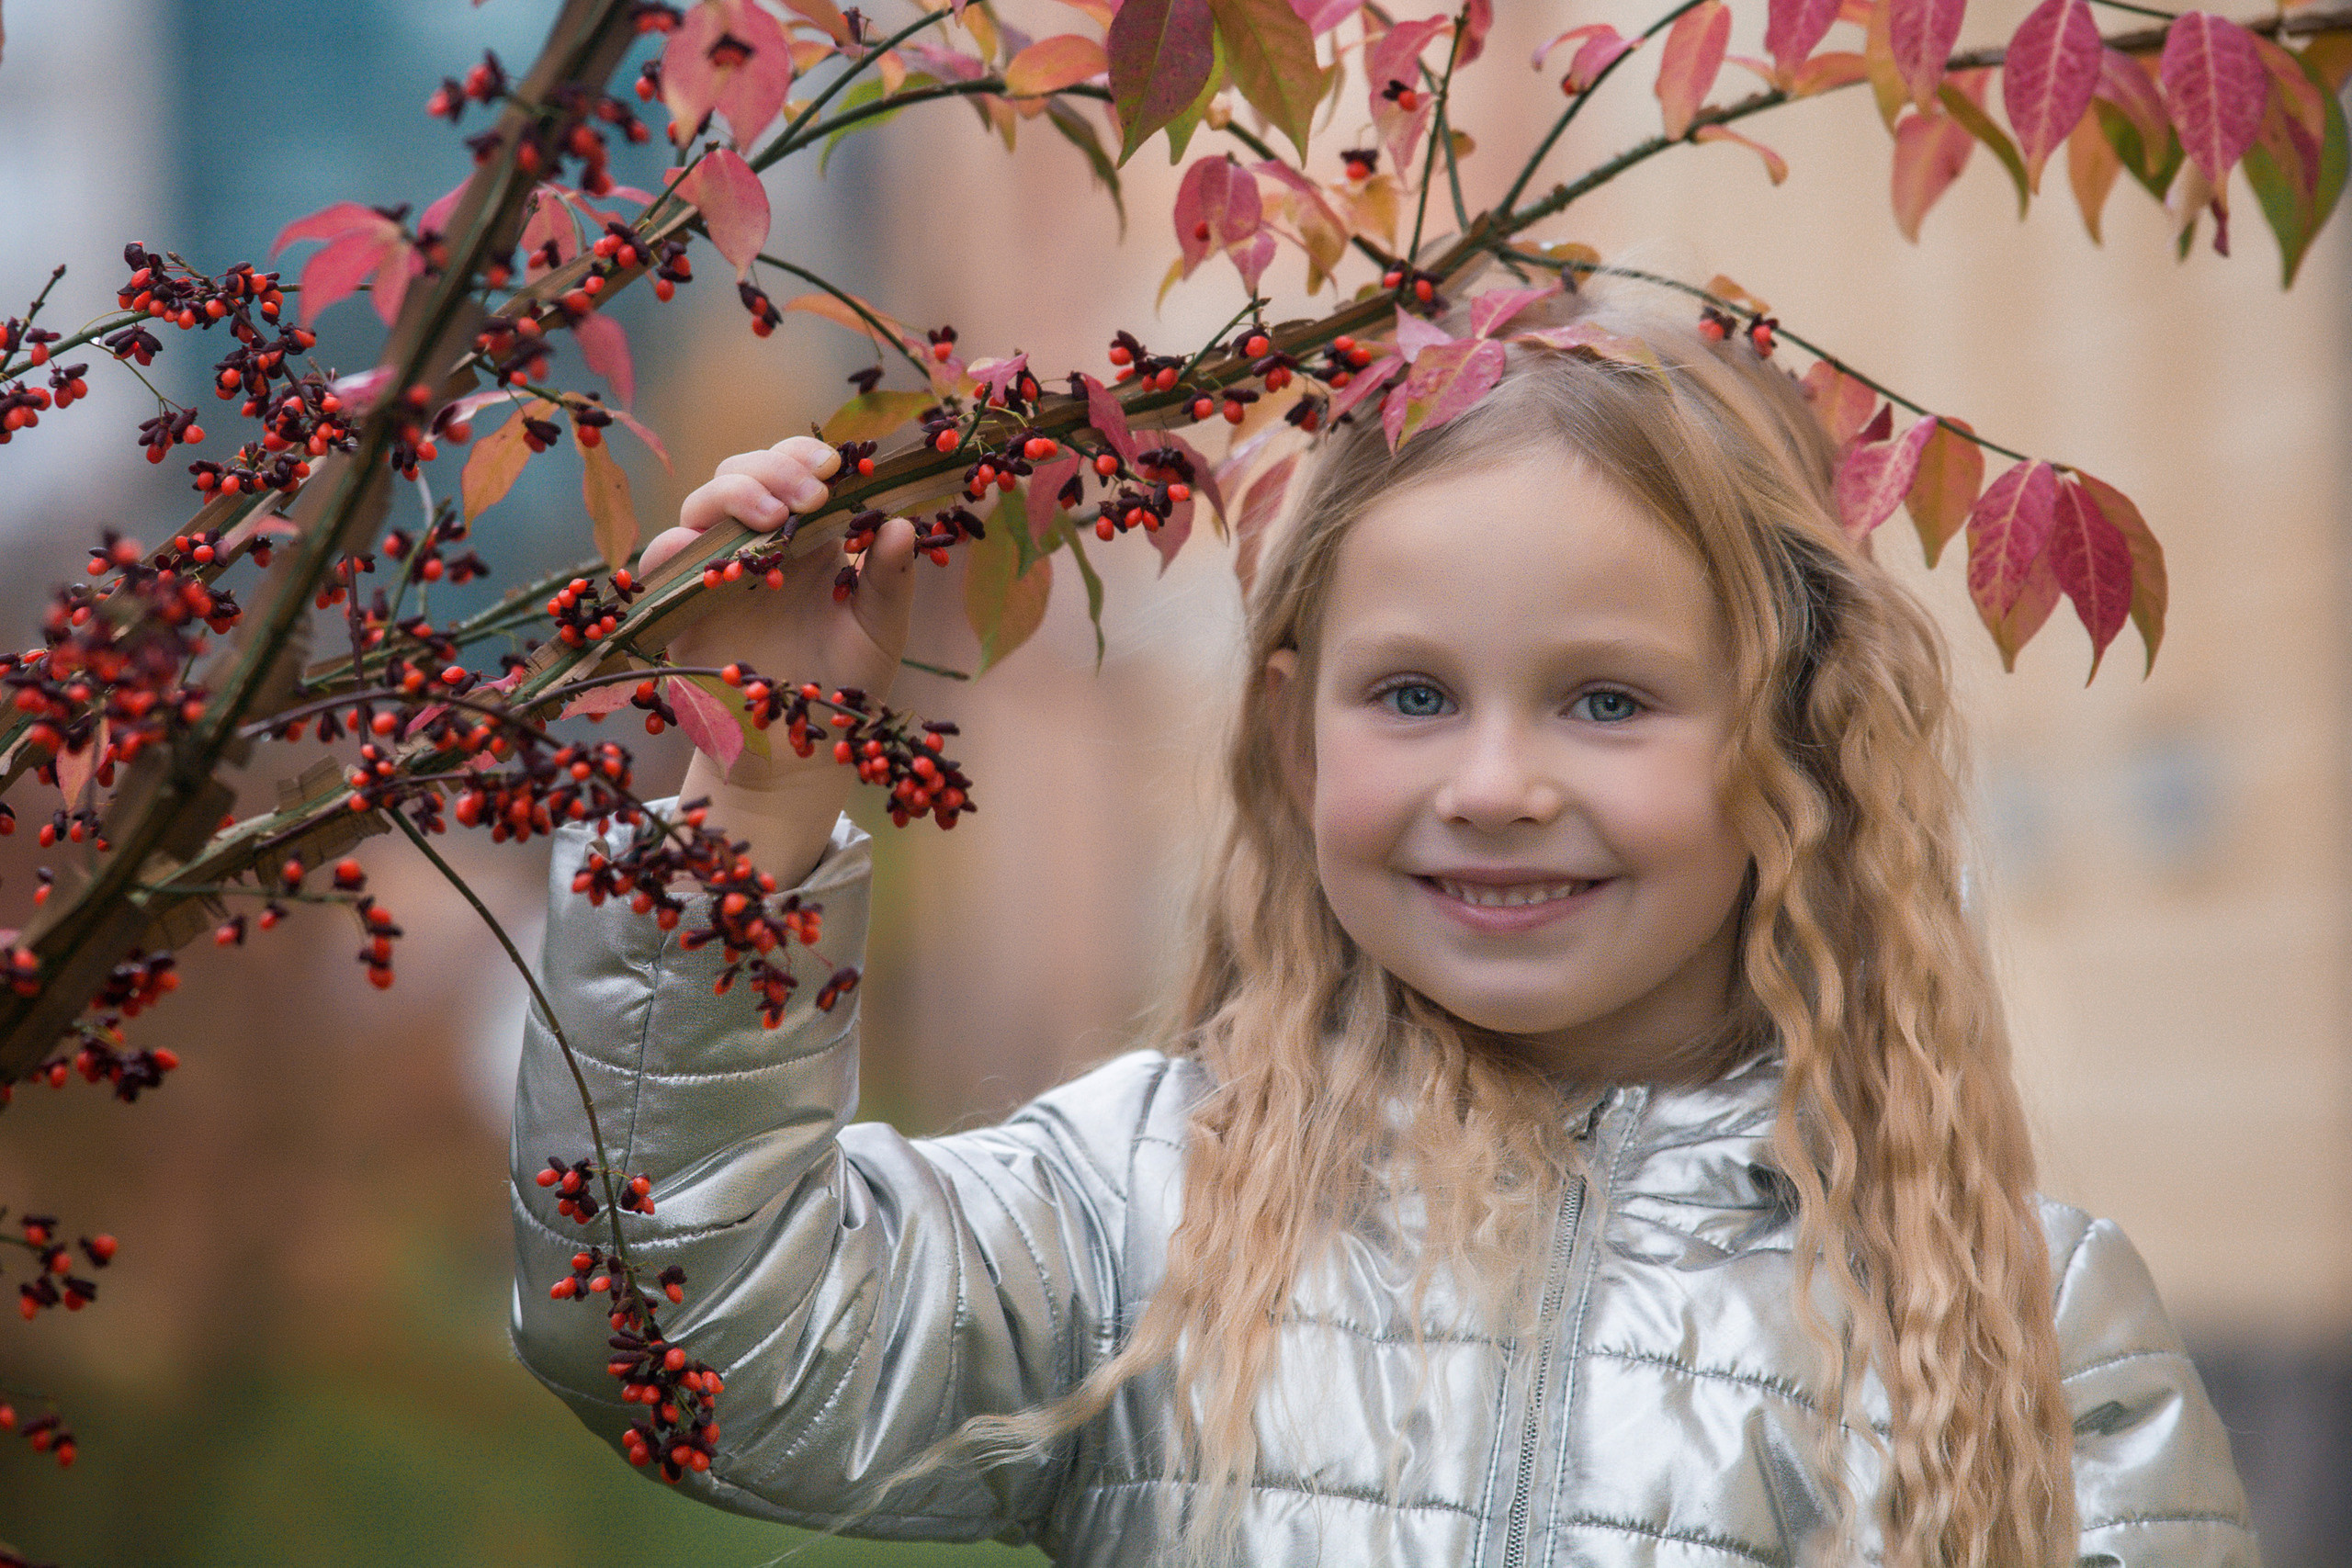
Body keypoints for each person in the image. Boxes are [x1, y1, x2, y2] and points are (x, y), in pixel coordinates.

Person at [507, 284, 2257, 1567]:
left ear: (1787, 740)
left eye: (1606, 703)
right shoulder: (1149, 1208)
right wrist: (749, 811)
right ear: (1293, 733)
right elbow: (684, 1328)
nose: (1494, 783)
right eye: (1413, 694)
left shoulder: (2022, 1318)